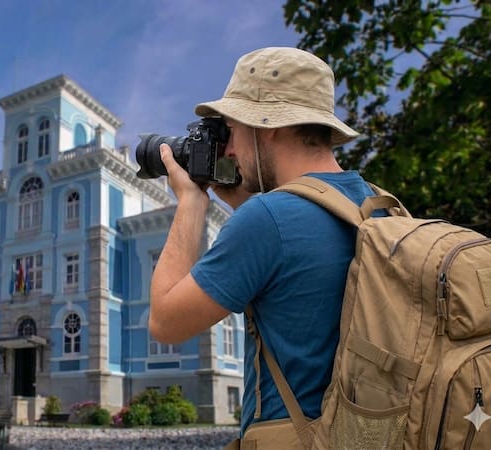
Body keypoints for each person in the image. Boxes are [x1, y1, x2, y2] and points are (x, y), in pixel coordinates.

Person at [148, 47, 374, 437]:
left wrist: (190, 202)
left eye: (232, 130)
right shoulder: (376, 205)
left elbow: (166, 322)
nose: (230, 149)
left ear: (267, 125)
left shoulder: (269, 219)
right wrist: (245, 207)